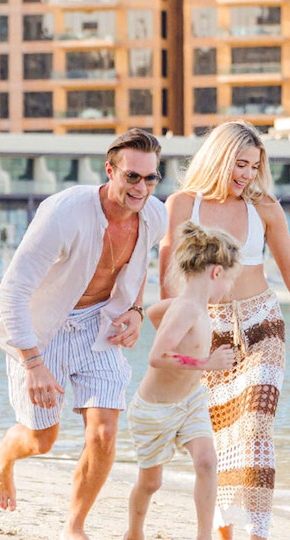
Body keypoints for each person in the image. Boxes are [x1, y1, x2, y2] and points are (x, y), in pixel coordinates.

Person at [154, 120, 290, 539]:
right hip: (206, 330)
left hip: (263, 326)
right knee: (218, 435)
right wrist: (174, 334)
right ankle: (224, 524)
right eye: (240, 164)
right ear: (219, 159)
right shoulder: (184, 205)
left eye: (254, 166)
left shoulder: (265, 209)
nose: (246, 175)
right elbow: (167, 274)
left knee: (255, 426)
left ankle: (258, 530)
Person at [0, 128, 168, 540]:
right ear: (110, 171)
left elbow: (137, 268)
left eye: (151, 178)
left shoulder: (155, 215)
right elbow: (12, 291)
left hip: (98, 327)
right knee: (41, 439)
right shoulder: (64, 212)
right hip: (42, 331)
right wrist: (32, 363)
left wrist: (136, 311)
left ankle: (74, 526)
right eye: (132, 177)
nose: (142, 187)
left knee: (104, 433)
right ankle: (3, 453)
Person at [125, 221, 242, 540]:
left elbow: (151, 312)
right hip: (155, 410)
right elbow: (156, 357)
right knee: (151, 483)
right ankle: (134, 532)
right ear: (216, 272)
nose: (227, 289)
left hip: (190, 402)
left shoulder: (187, 306)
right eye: (228, 280)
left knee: (206, 462)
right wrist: (207, 362)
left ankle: (204, 536)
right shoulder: (188, 309)